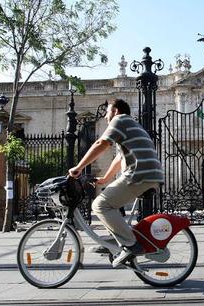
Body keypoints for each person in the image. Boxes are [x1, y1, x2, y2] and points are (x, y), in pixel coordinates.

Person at [68, 98, 164, 267]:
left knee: (100, 205)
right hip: (148, 173)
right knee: (108, 201)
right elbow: (119, 158)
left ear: (116, 111)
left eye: (108, 112)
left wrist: (79, 166)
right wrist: (105, 179)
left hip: (139, 173)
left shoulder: (120, 120)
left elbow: (101, 143)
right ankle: (116, 242)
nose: (105, 117)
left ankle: (130, 244)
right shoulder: (131, 125)